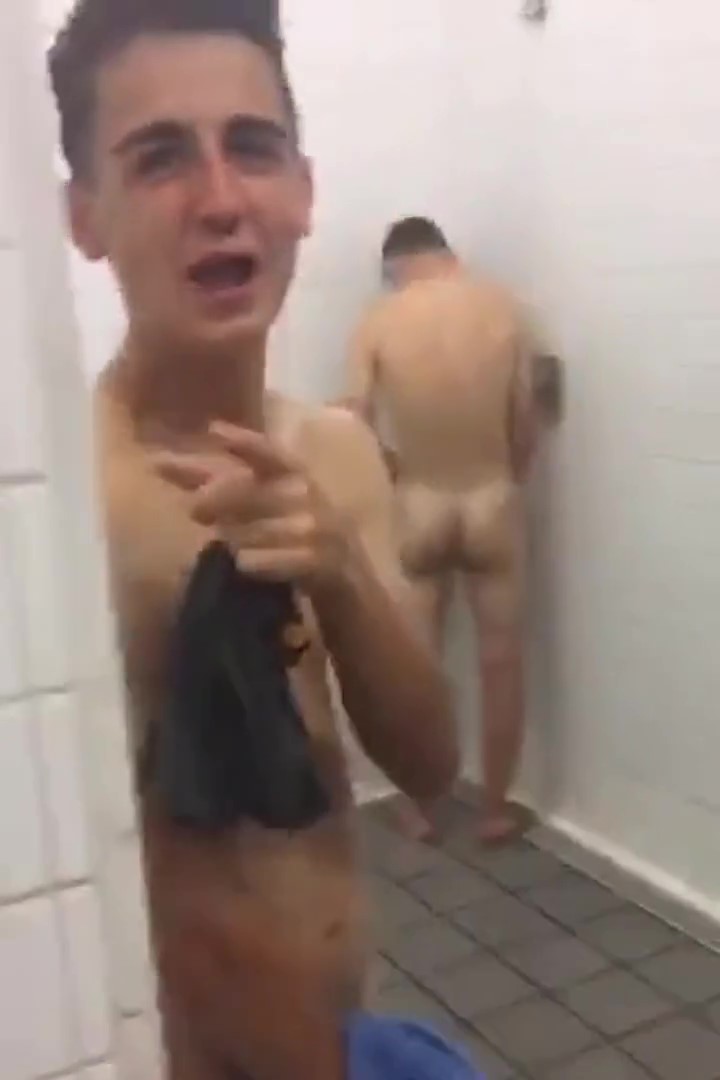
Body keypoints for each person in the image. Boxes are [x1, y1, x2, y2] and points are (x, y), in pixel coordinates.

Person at [48, 7, 456, 1079]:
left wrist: (339, 572)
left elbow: (427, 766)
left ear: (304, 192)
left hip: (350, 1033)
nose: (222, 200)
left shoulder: (338, 452)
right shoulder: (66, 507)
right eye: (161, 158)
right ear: (85, 218)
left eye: (253, 148)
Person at [342, 216, 556, 847]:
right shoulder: (505, 309)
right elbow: (529, 416)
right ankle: (494, 810)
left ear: (395, 265)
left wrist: (391, 469)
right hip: (491, 496)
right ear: (446, 253)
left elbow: (354, 418)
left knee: (417, 665)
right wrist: (511, 473)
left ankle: (420, 808)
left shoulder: (379, 321)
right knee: (501, 661)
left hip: (420, 501)